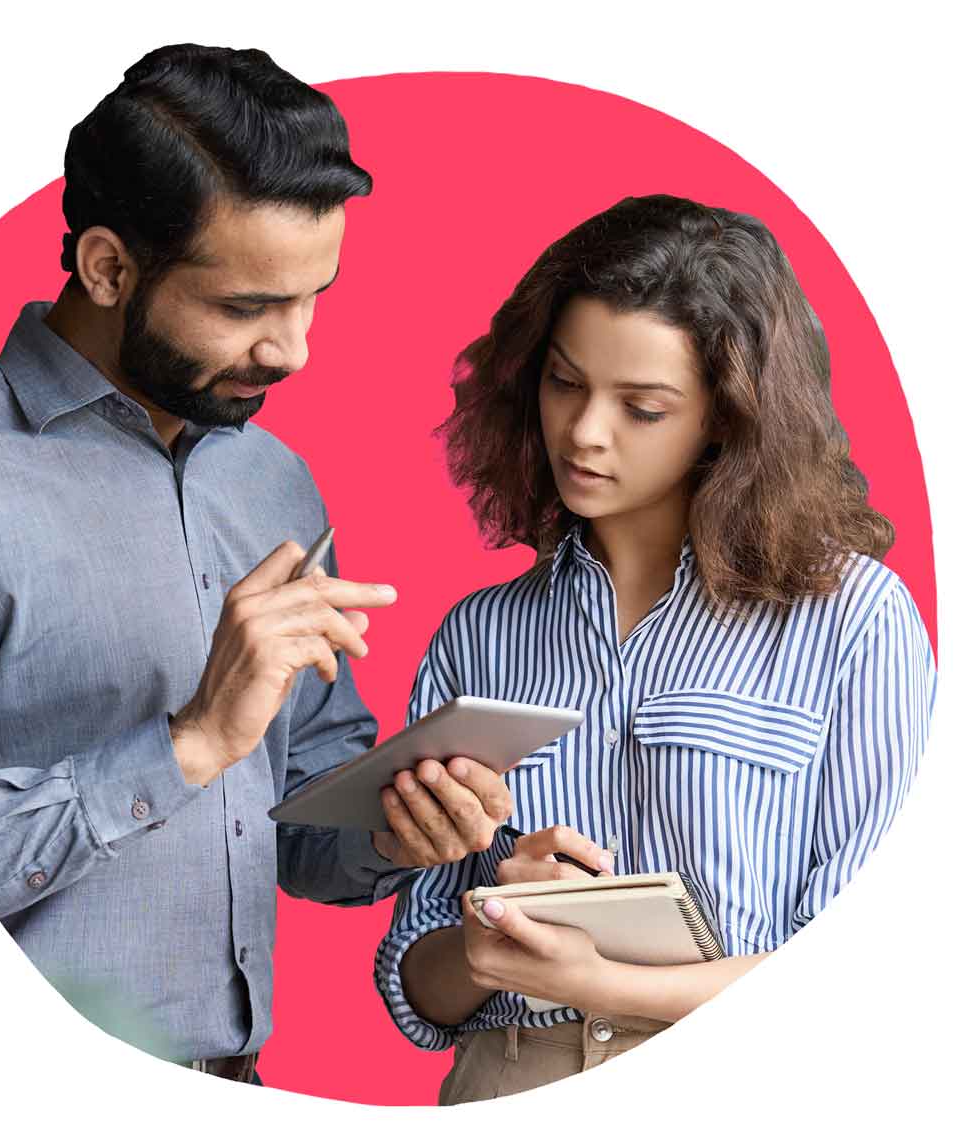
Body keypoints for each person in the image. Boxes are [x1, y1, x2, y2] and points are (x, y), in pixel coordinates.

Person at [0, 44, 512, 1083]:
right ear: (107, 268)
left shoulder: (271, 480)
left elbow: (297, 825)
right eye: (245, 308)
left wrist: (400, 827)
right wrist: (189, 743)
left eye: (311, 298)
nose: (293, 350)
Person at [374, 194, 936, 1102]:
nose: (584, 432)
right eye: (564, 383)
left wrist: (603, 984)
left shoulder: (855, 620)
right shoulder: (479, 634)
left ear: (727, 417)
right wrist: (488, 935)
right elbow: (417, 984)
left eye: (641, 408)